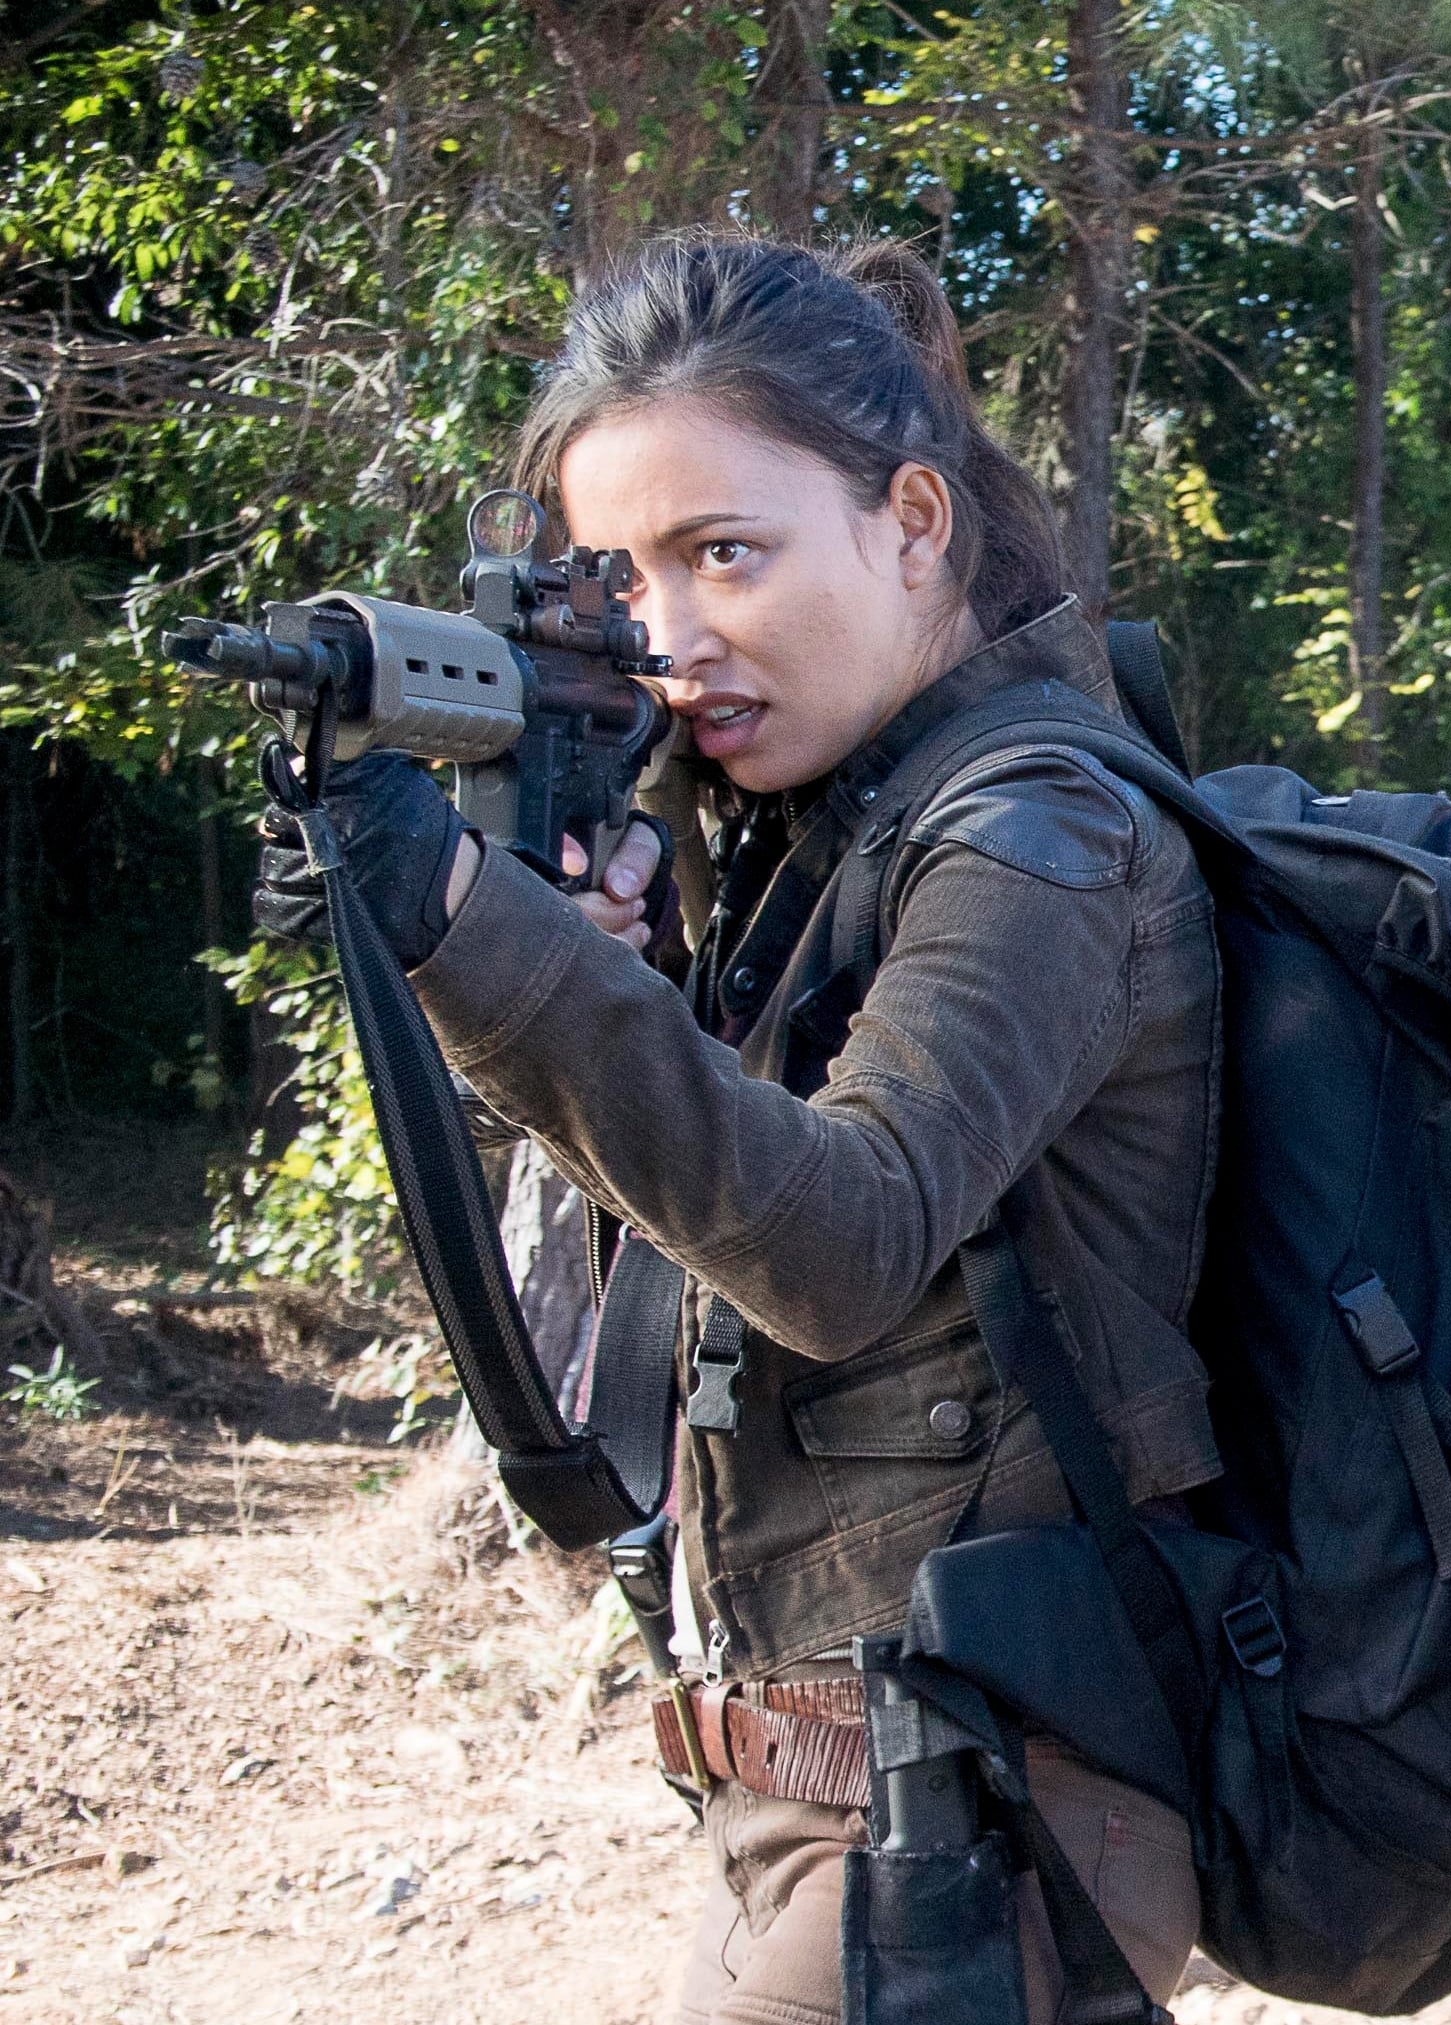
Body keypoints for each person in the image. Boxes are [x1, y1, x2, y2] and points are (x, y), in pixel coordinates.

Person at [256, 236, 1213, 2023]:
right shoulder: (819, 833)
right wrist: (596, 966)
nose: (674, 638)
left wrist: (473, 927)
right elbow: (701, 1225)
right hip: (815, 1804)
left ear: (912, 522)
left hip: (987, 1828)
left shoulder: (1039, 834)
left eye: (726, 553)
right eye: (624, 576)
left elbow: (839, 1244)